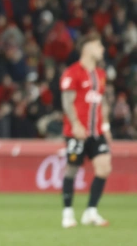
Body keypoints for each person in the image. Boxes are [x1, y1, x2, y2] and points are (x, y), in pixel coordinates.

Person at [59, 31, 112, 229]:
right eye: (99, 45)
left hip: (96, 131)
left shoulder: (100, 74)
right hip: (77, 132)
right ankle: (67, 213)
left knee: (104, 167)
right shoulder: (72, 72)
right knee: (72, 169)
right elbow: (67, 101)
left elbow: (102, 101)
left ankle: (91, 211)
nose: (102, 49)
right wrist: (75, 124)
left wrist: (105, 125)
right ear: (87, 47)